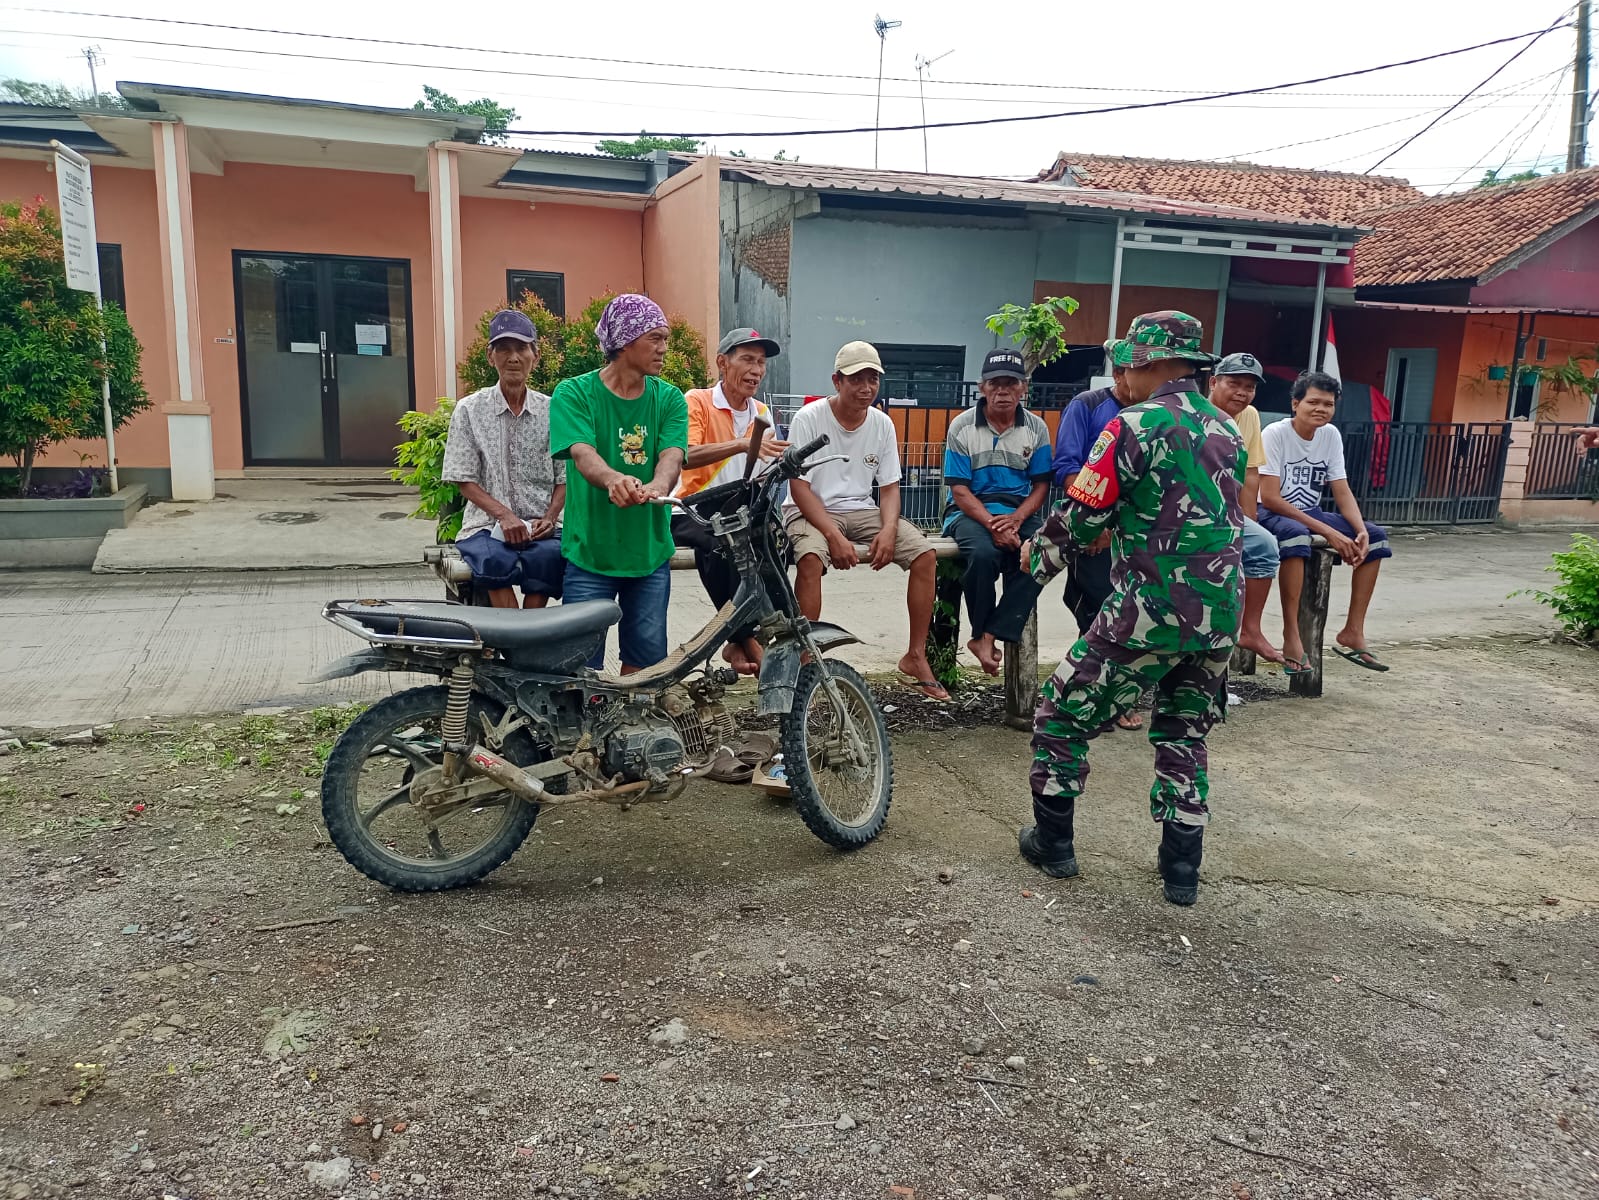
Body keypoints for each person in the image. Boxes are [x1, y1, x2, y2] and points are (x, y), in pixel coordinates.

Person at [1018, 311, 1244, 907]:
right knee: (1185, 731)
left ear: (1146, 363)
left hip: (1150, 612)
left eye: (1127, 364)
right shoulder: (1228, 428)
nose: (1123, 375)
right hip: (1220, 616)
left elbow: (1084, 512)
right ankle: (1181, 874)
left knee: (1059, 714)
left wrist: (1037, 561)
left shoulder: (1132, 425)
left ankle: (1054, 844)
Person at [784, 340, 946, 701]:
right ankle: (808, 661)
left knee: (925, 555)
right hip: (809, 508)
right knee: (810, 559)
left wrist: (889, 530)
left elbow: (889, 488)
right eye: (856, 379)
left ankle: (915, 656)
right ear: (837, 381)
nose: (866, 388)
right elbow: (798, 488)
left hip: (861, 509)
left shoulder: (882, 424)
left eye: (873, 379)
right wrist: (831, 535)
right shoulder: (808, 418)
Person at [550, 294, 688, 673]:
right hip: (590, 555)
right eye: (655, 338)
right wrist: (613, 479)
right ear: (626, 341)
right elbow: (582, 453)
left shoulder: (670, 398)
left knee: (644, 669)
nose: (663, 349)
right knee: (578, 669)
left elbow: (671, 456)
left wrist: (659, 486)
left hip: (649, 556)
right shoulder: (573, 393)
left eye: (665, 339)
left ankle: (630, 732)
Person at [1258, 370, 1393, 674]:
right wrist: (1330, 532)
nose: (1321, 409)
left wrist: (1358, 531)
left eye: (1328, 404)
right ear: (1295, 404)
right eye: (1314, 402)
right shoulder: (1275, 434)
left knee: (1377, 538)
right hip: (1271, 514)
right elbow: (1270, 498)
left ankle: (1352, 631)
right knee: (1295, 537)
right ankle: (1291, 634)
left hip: (1310, 512)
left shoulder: (1330, 435)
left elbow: (1341, 490)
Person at [673, 327, 790, 675]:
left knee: (775, 541)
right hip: (693, 506)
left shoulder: (763, 412)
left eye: (761, 363)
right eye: (748, 360)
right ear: (723, 363)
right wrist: (742, 443)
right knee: (720, 546)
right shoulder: (697, 400)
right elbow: (686, 455)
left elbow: (768, 471)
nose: (756, 370)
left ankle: (779, 634)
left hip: (741, 506)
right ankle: (743, 639)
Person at [441, 310, 565, 609]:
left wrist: (549, 517)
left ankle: (528, 628)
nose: (513, 357)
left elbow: (565, 476)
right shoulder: (469, 409)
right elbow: (462, 477)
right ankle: (518, 635)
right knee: (491, 559)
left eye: (522, 348)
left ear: (535, 355)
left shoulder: (553, 410)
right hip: (485, 525)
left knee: (552, 557)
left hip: (542, 525)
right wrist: (504, 516)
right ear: (490, 356)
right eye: (504, 349)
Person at [941, 347, 1053, 675]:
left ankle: (988, 634)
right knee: (982, 553)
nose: (1002, 390)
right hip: (970, 512)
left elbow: (1041, 486)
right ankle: (982, 633)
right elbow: (959, 490)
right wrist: (993, 524)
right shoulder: (961, 427)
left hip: (1019, 512)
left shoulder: (1037, 428)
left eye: (1010, 383)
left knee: (1044, 552)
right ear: (982, 387)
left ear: (1023, 387)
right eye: (994, 383)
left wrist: (1016, 520)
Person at [1051, 357, 1145, 729]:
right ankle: (1093, 696)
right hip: (1091, 525)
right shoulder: (1087, 406)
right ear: (1119, 374)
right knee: (1098, 609)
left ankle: (1104, 692)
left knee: (1133, 613)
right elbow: (1068, 467)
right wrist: (1096, 523)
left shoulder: (1154, 414)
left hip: (1137, 534)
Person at [1206, 353, 1284, 663]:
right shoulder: (1197, 414)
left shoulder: (1249, 416)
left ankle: (1250, 628)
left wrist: (1247, 517)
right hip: (1193, 509)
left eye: (1249, 387)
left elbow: (1251, 473)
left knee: (1263, 543)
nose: (1242, 392)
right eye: (1234, 383)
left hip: (1228, 510)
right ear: (1213, 382)